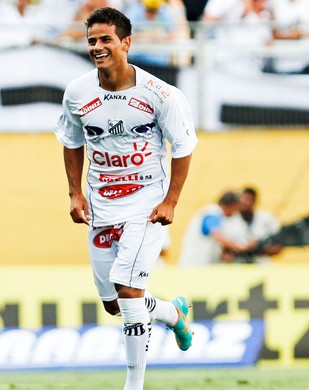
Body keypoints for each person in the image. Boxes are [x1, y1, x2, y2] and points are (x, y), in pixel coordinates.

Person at [53, 7, 197, 390]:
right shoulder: (77, 92)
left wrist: (170, 202)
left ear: (126, 43)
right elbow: (71, 141)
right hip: (101, 207)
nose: (98, 47)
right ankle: (173, 314)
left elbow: (183, 146)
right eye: (92, 41)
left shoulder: (159, 94)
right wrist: (74, 193)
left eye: (106, 40)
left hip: (145, 206)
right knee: (115, 303)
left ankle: (133, 385)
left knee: (128, 291)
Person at [178, 191, 258, 266]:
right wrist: (239, 247)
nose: (236, 212)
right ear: (233, 205)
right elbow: (215, 234)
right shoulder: (213, 211)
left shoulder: (218, 216)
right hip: (195, 263)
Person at [238, 186, 283, 263]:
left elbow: (278, 247)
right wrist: (242, 249)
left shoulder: (268, 219)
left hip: (262, 264)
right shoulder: (231, 220)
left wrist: (257, 250)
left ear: (255, 201)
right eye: (242, 200)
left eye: (248, 200)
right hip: (237, 266)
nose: (244, 203)